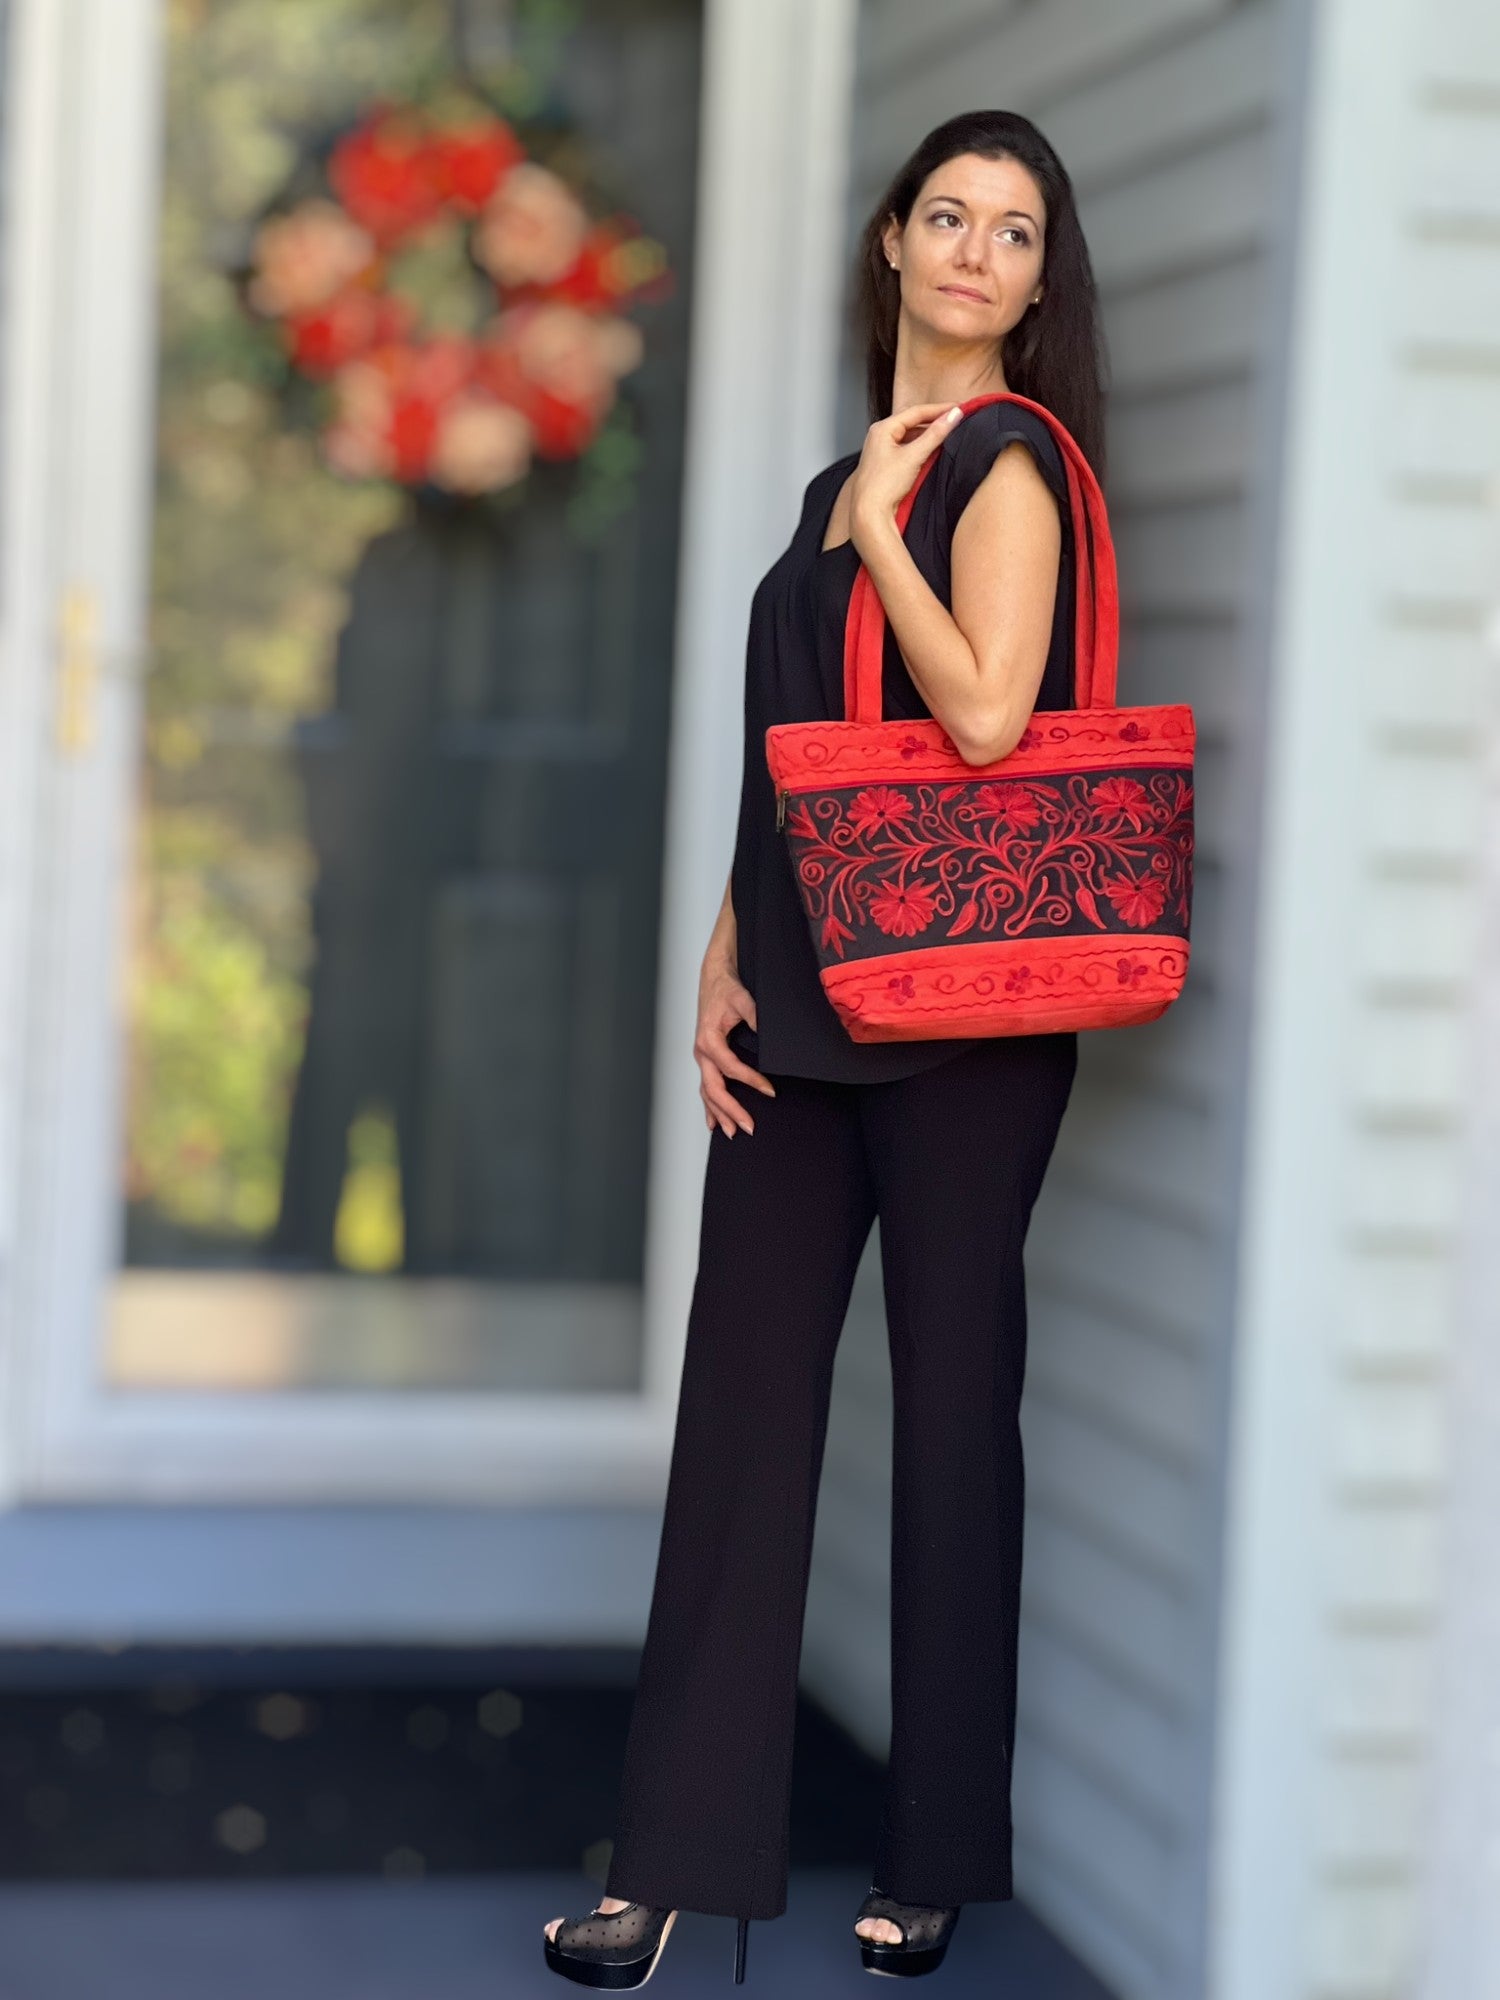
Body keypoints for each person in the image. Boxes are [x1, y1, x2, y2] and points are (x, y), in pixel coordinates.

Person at [543, 107, 1107, 1987]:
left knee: (950, 1415)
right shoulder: (830, 484)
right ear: (891, 241)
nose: (974, 252)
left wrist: (881, 532)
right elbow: (804, 756)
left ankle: (933, 1856)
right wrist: (726, 951)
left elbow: (985, 724)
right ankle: (666, 1862)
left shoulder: (1008, 468)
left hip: (966, 1031)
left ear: (1038, 280)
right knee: (742, 1415)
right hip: (805, 1009)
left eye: (1013, 232)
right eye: (948, 215)